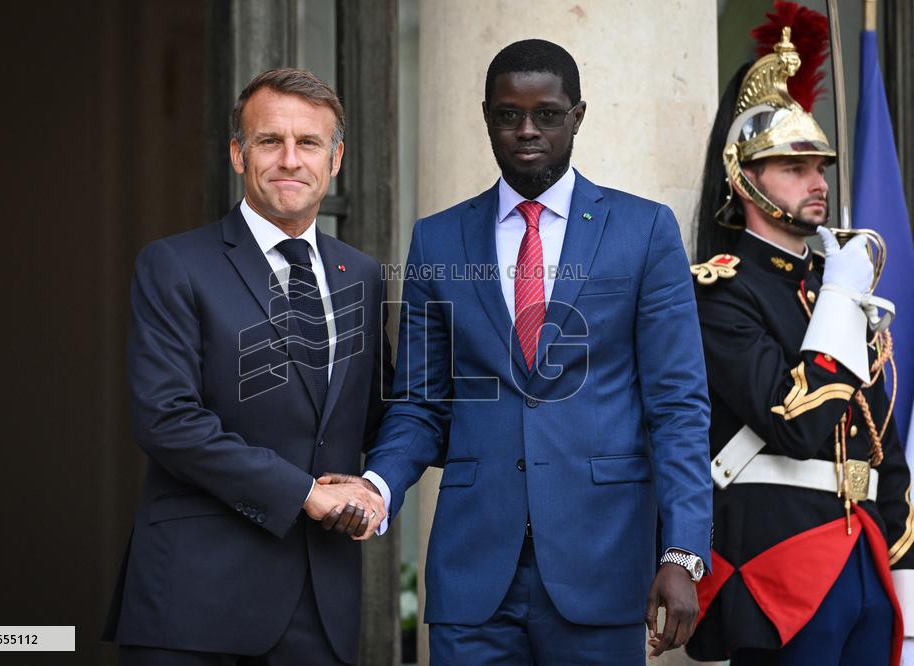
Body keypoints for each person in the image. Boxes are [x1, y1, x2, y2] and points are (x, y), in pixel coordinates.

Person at [327, 38, 713, 664]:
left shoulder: (645, 230)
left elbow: (677, 405)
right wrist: (377, 485)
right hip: (475, 573)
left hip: (604, 563)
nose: (526, 130)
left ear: (577, 116)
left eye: (547, 114)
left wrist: (684, 551)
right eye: (508, 115)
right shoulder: (438, 238)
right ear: (487, 117)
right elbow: (422, 404)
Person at [101, 67, 391, 666]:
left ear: (335, 161)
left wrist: (379, 487)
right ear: (238, 154)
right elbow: (167, 420)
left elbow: (376, 420)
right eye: (269, 141)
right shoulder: (174, 265)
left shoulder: (360, 275)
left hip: (322, 603)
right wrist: (302, 493)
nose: (290, 159)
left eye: (308, 143)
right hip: (193, 604)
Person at [686, 6, 913, 664]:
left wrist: (898, 555)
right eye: (794, 167)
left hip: (862, 554)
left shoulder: (832, 287)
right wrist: (842, 298)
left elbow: (882, 438)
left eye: (820, 166)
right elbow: (795, 424)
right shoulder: (718, 292)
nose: (818, 182)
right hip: (777, 567)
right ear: (744, 181)